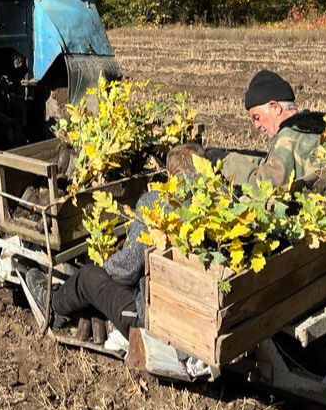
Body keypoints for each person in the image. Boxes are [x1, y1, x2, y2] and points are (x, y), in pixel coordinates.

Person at [23, 143, 205, 335]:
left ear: (169, 174)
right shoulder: (225, 202)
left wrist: (103, 272)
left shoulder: (155, 203)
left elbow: (126, 268)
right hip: (203, 313)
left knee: (87, 278)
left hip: (154, 318)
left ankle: (53, 309)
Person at [212, 69, 326, 189]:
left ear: (275, 108)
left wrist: (224, 161)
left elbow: (262, 187)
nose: (256, 125)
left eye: (257, 117)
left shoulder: (288, 138)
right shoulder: (313, 127)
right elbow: (271, 166)